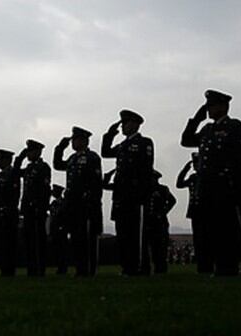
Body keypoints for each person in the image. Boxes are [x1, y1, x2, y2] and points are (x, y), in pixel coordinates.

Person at [181, 90, 241, 276]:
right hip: (207, 186)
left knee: (226, 228)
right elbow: (186, 140)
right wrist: (197, 117)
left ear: (222, 106)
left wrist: (239, 185)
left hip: (225, 185)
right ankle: (219, 266)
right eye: (208, 106)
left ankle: (229, 267)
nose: (209, 110)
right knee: (212, 230)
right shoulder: (207, 129)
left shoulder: (234, 126)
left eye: (211, 106)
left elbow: (238, 157)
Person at [101, 110, 154, 276]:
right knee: (123, 234)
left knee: (136, 234)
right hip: (121, 196)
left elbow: (146, 169)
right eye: (122, 123)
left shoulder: (144, 142)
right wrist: (110, 134)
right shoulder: (122, 146)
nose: (123, 126)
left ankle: (141, 267)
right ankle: (127, 267)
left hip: (136, 196)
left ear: (135, 124)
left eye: (125, 123)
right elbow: (105, 152)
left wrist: (142, 193)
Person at [53, 126, 104, 277]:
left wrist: (92, 201)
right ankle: (80, 269)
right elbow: (57, 165)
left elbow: (96, 182)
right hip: (73, 205)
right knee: (76, 238)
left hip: (86, 204)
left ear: (84, 141)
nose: (73, 143)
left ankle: (89, 269)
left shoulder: (92, 157)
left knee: (88, 238)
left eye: (75, 139)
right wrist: (59, 148)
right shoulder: (72, 159)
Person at [18, 139, 51, 277]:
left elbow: (45, 189)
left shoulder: (43, 167)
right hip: (28, 210)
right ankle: (31, 269)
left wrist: (40, 206)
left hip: (38, 209)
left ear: (38, 151)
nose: (28, 155)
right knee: (29, 240)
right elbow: (15, 172)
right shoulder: (29, 169)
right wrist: (19, 158)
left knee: (38, 241)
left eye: (30, 151)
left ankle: (39, 269)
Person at [176, 154, 211, 274]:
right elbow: (179, 184)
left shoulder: (208, 176)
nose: (196, 166)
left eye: (198, 164)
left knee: (207, 239)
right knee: (198, 240)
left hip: (206, 211)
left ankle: (208, 265)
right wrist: (184, 170)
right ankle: (202, 266)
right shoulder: (193, 178)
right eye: (195, 164)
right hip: (195, 211)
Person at [0, 149, 20, 277]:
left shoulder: (12, 173)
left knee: (9, 243)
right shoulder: (0, 176)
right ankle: (5, 269)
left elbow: (14, 194)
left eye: (1, 160)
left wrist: (7, 208)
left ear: (7, 160)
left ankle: (9, 270)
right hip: (0, 213)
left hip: (9, 213)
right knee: (2, 244)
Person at [143, 170, 176, 274]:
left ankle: (161, 268)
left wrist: (164, 211)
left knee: (160, 247)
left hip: (159, 222)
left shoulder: (163, 189)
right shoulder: (145, 190)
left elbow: (172, 200)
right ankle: (146, 268)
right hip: (148, 220)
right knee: (146, 246)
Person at [48, 185, 70, 275]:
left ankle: (63, 268)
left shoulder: (64, 203)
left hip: (62, 229)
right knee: (57, 250)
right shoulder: (53, 203)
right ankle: (59, 267)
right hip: (54, 229)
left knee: (62, 250)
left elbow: (64, 216)